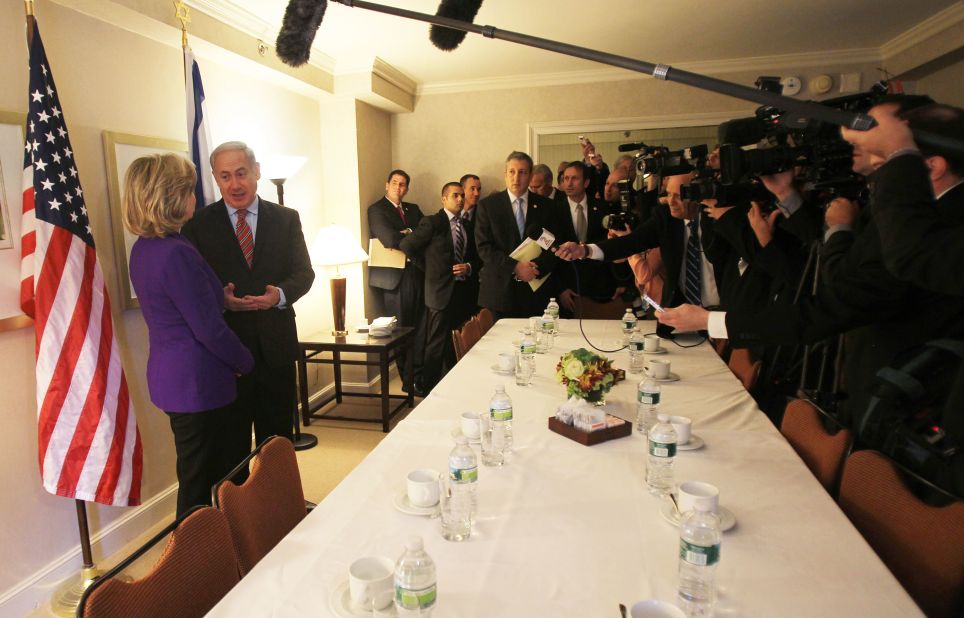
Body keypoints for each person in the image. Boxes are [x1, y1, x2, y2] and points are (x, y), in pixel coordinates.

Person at [655, 102, 964, 427]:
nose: (873, 165)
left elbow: (831, 300)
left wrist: (709, 320)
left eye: (884, 156)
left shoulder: (935, 230)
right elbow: (839, 271)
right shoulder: (900, 217)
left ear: (930, 168)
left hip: (911, 399)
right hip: (876, 381)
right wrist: (789, 194)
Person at [124, 153, 254, 518]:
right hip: (199, 382)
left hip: (174, 378)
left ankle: (209, 553)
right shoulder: (175, 251)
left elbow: (177, 305)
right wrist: (245, 360)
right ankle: (195, 562)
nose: (197, 196)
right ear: (174, 195)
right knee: (207, 483)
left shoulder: (145, 248)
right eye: (191, 189)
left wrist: (219, 296)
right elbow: (208, 329)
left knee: (197, 473)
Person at [182, 141, 314, 467]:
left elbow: (304, 273)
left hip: (276, 348)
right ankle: (238, 515)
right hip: (227, 355)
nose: (235, 184)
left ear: (256, 171)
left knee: (277, 443)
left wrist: (278, 296)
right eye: (225, 176)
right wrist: (220, 300)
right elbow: (193, 288)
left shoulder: (286, 218)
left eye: (241, 173)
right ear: (215, 178)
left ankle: (281, 511)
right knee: (231, 447)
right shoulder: (197, 225)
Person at [555, 172, 727, 331]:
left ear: (697, 195)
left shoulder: (718, 218)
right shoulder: (666, 217)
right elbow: (631, 242)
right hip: (681, 315)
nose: (670, 202)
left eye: (678, 196)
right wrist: (584, 250)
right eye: (667, 194)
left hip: (722, 314)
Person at [400, 182, 480, 389]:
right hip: (439, 292)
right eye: (456, 195)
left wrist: (468, 267)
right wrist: (429, 268)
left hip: (463, 292)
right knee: (436, 343)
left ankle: (457, 384)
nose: (461, 199)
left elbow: (476, 257)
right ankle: (429, 388)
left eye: (463, 195)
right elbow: (407, 245)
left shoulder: (468, 225)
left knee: (459, 341)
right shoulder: (433, 222)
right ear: (444, 199)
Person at [475, 151, 558, 318]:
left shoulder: (547, 206)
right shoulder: (488, 206)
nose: (516, 178)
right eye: (512, 172)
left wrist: (535, 268)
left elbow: (553, 246)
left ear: (530, 176)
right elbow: (484, 247)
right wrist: (515, 267)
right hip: (498, 293)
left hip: (535, 292)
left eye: (522, 172)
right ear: (505, 175)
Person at [367, 169, 427, 393]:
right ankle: (407, 380)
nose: (398, 188)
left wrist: (405, 233)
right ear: (386, 185)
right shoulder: (376, 210)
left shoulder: (414, 209)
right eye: (395, 183)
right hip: (394, 278)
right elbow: (389, 238)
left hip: (417, 273)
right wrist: (410, 234)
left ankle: (418, 376)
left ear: (407, 188)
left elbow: (426, 235)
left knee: (419, 328)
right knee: (401, 330)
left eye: (403, 185)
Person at [550, 161, 623, 314]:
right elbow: (550, 253)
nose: (569, 183)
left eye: (575, 178)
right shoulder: (553, 210)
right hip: (569, 288)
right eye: (566, 178)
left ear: (586, 182)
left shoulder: (603, 208)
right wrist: (560, 288)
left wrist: (619, 282)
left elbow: (613, 245)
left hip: (601, 287)